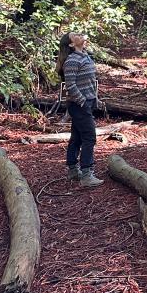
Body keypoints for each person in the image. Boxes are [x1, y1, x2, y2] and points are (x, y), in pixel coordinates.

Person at [57, 32, 103, 187]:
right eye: (74, 35)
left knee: (76, 137)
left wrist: (95, 99)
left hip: (87, 102)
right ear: (71, 44)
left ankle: (73, 170)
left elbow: (90, 81)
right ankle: (86, 175)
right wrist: (83, 101)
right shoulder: (71, 61)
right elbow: (70, 85)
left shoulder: (86, 56)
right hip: (79, 105)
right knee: (89, 137)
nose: (79, 34)